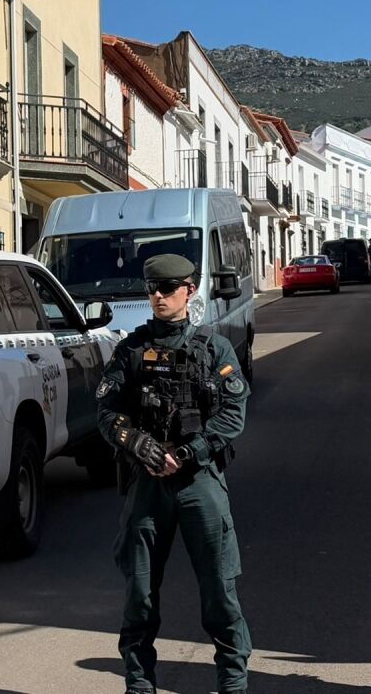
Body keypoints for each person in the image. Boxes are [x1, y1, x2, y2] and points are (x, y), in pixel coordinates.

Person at [96, 254, 253, 694]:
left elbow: (232, 413)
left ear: (190, 289)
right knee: (140, 594)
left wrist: (188, 451)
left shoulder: (213, 348)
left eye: (167, 289)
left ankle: (233, 682)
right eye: (151, 289)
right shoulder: (130, 350)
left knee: (220, 592)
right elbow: (107, 411)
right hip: (148, 485)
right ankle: (140, 683)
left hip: (198, 481)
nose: (158, 297)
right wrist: (136, 443)